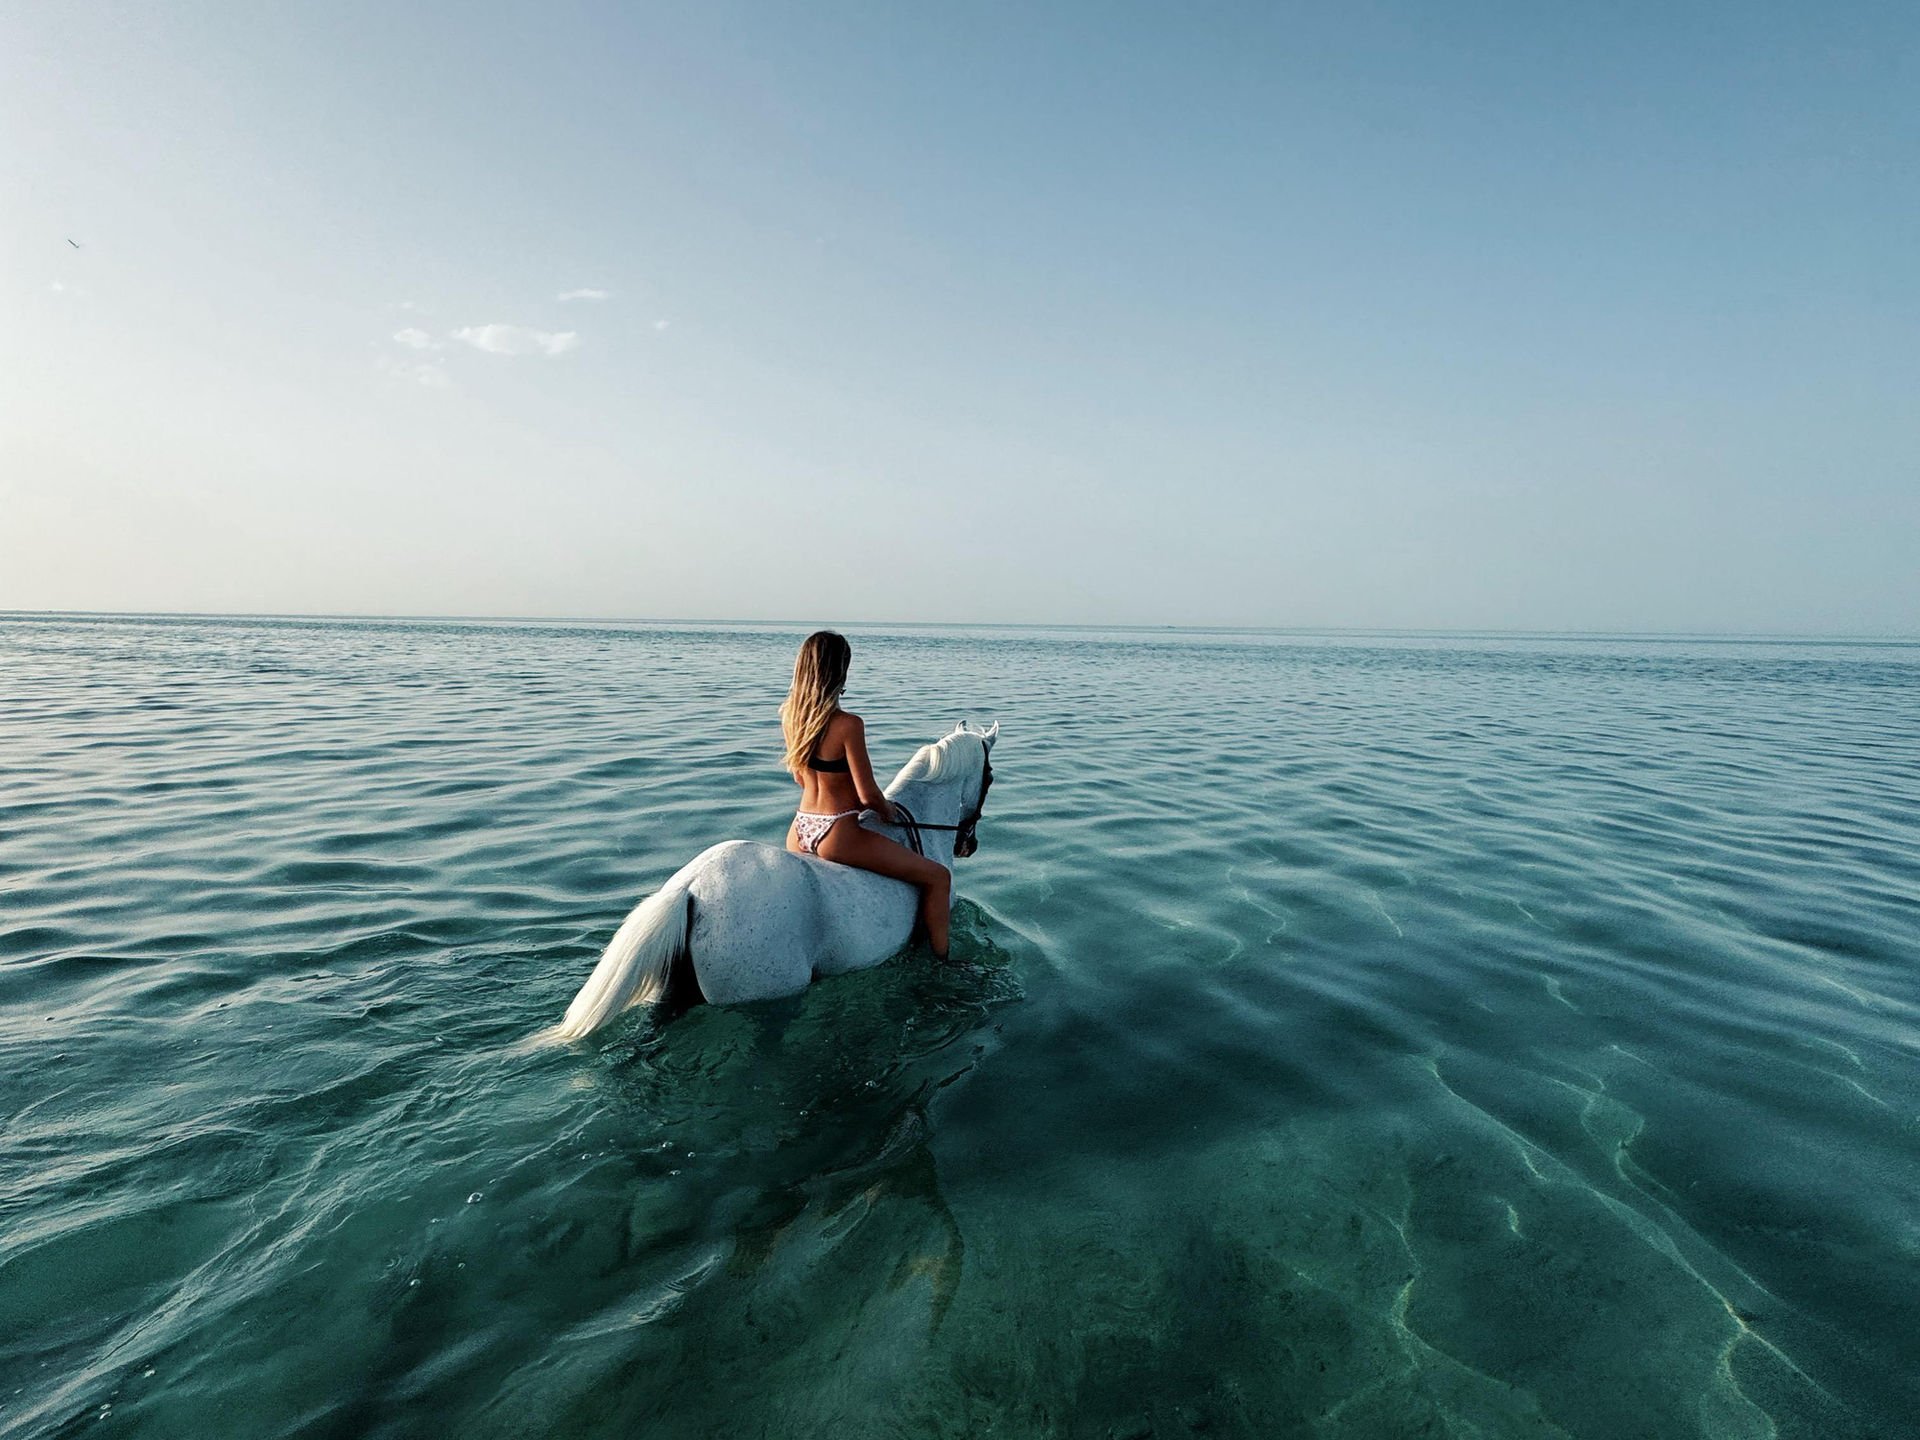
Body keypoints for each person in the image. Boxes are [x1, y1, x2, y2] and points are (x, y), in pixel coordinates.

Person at [780, 630, 952, 958]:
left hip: (800, 828)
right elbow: (868, 794)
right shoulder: (848, 725)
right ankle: (943, 962)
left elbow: (801, 780)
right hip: (837, 831)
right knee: (938, 877)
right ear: (840, 671)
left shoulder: (791, 716)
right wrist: (889, 812)